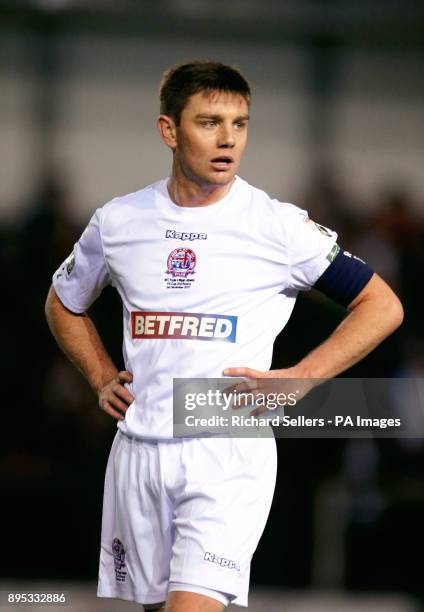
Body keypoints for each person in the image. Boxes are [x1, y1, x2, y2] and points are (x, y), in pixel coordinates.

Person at [45, 61, 403, 612]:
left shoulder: (277, 225)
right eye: (210, 122)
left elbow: (382, 304)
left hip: (225, 448)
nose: (228, 139)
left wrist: (301, 380)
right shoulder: (118, 221)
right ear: (169, 130)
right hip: (138, 452)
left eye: (240, 124)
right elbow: (63, 303)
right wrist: (97, 375)